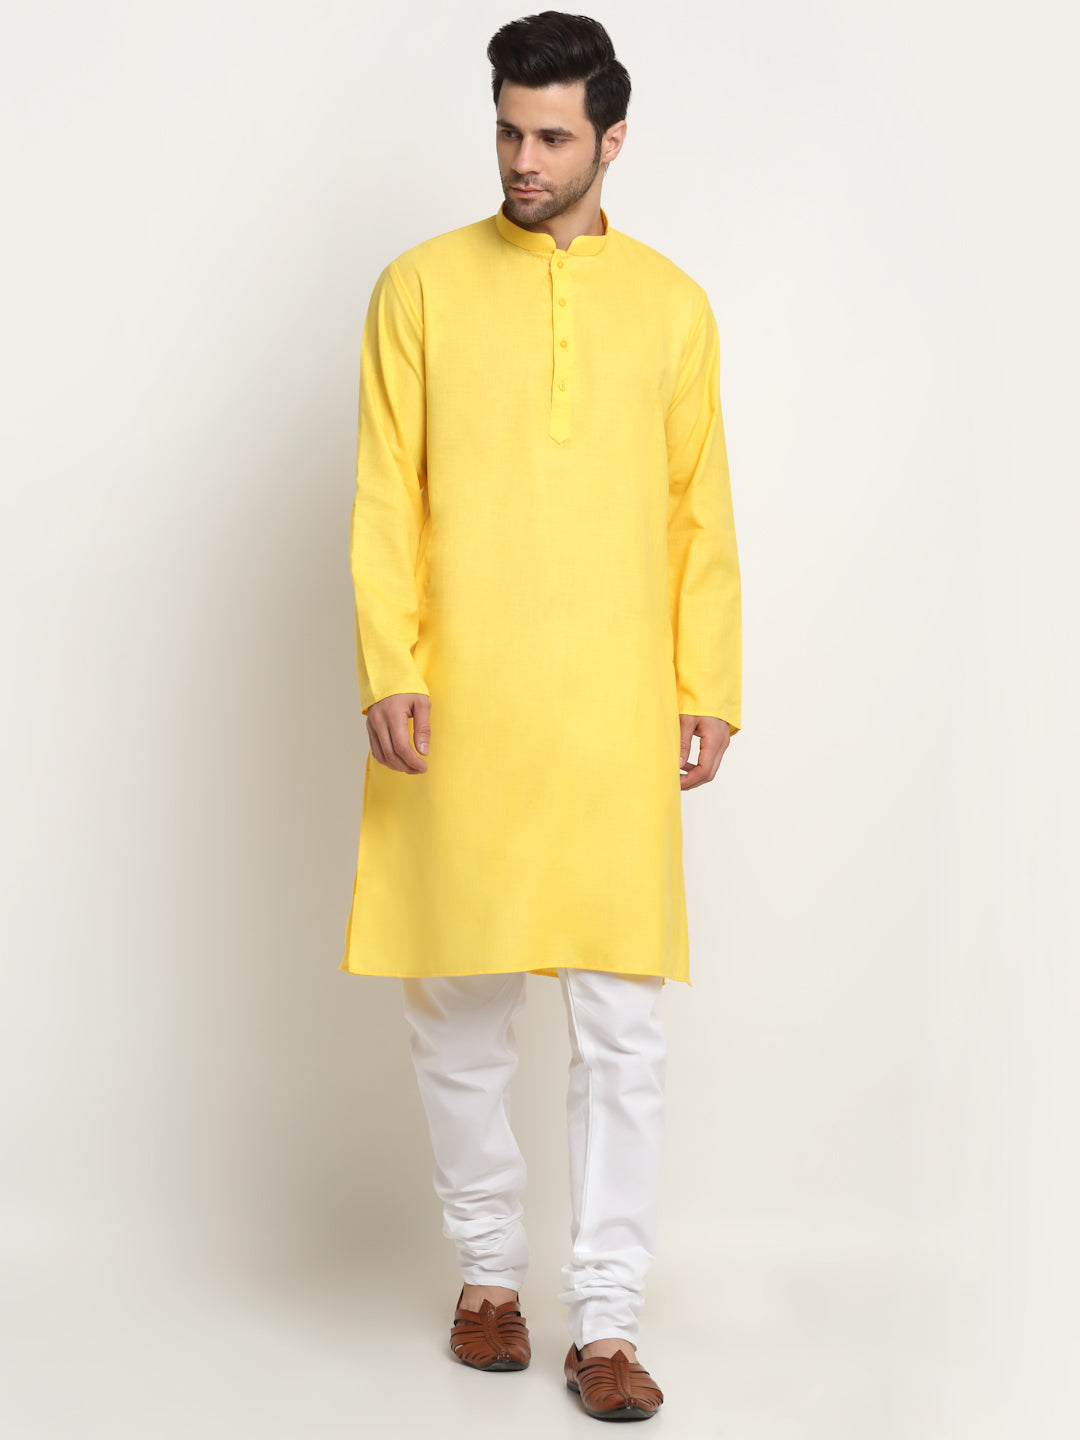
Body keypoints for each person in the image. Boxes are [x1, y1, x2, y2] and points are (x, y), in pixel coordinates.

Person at [340, 10, 741, 1422]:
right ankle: (487, 1282)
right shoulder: (420, 289)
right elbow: (387, 491)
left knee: (623, 1028)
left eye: (553, 135)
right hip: (459, 704)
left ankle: (609, 1320)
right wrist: (390, 663)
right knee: (460, 1010)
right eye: (509, 130)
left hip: (613, 712)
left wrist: (708, 684)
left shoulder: (673, 306)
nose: (523, 157)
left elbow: (698, 513)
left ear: (611, 139)